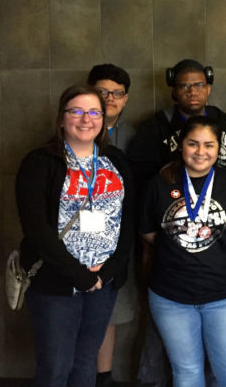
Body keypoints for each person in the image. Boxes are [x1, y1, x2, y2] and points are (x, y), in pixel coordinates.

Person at [128, 58, 226, 386]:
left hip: (223, 296)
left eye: (209, 145)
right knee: (187, 373)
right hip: (171, 296)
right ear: (181, 147)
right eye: (193, 144)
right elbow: (150, 236)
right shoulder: (158, 183)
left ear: (219, 148)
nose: (200, 151)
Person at [15, 85, 134, 387]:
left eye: (94, 112)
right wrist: (78, 275)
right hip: (55, 283)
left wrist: (107, 272)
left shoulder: (115, 160)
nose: (86, 119)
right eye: (76, 111)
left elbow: (128, 220)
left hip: (102, 284)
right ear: (61, 118)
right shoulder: (40, 162)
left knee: (85, 364)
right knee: (56, 367)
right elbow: (36, 228)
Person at [86, 63, 138, 387]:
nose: (109, 99)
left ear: (125, 98)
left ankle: (103, 377)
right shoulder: (72, 128)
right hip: (77, 238)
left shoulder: (134, 136)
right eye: (102, 92)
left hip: (119, 237)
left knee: (110, 309)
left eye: (116, 93)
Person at [129, 58, 226, 185]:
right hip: (176, 199)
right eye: (184, 86)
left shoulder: (225, 123)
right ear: (174, 91)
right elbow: (142, 179)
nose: (192, 92)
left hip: (223, 198)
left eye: (199, 85)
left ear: (208, 89)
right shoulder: (154, 128)